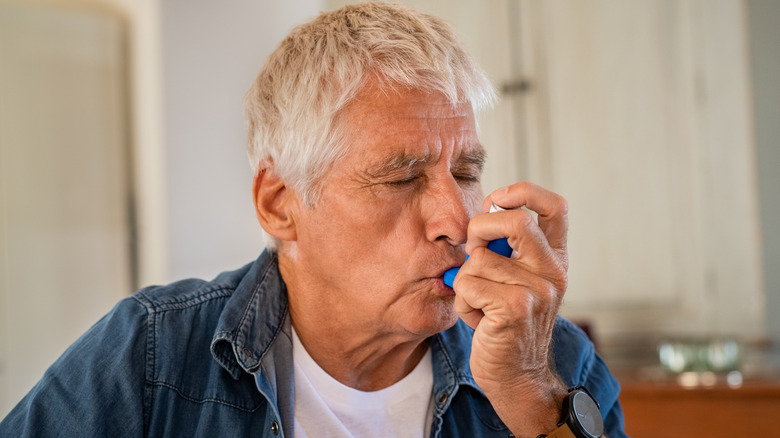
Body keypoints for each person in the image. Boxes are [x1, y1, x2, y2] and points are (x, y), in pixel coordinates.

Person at [0, 3, 626, 437]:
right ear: (279, 204)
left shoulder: (553, 362)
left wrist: (533, 402)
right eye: (401, 177)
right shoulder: (150, 356)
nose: (455, 220)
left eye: (465, 172)